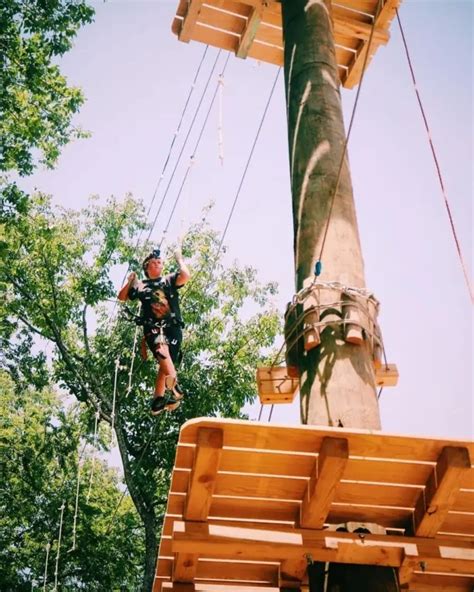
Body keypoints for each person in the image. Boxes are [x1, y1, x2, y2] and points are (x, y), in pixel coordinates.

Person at [118, 247, 190, 415]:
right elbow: (122, 297)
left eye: (160, 262)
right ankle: (175, 387)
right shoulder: (141, 285)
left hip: (173, 327)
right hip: (153, 326)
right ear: (147, 266)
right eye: (154, 262)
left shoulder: (169, 280)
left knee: (166, 362)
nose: (158, 264)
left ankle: (158, 399)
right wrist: (130, 281)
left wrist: (179, 258)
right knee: (161, 349)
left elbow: (185, 275)